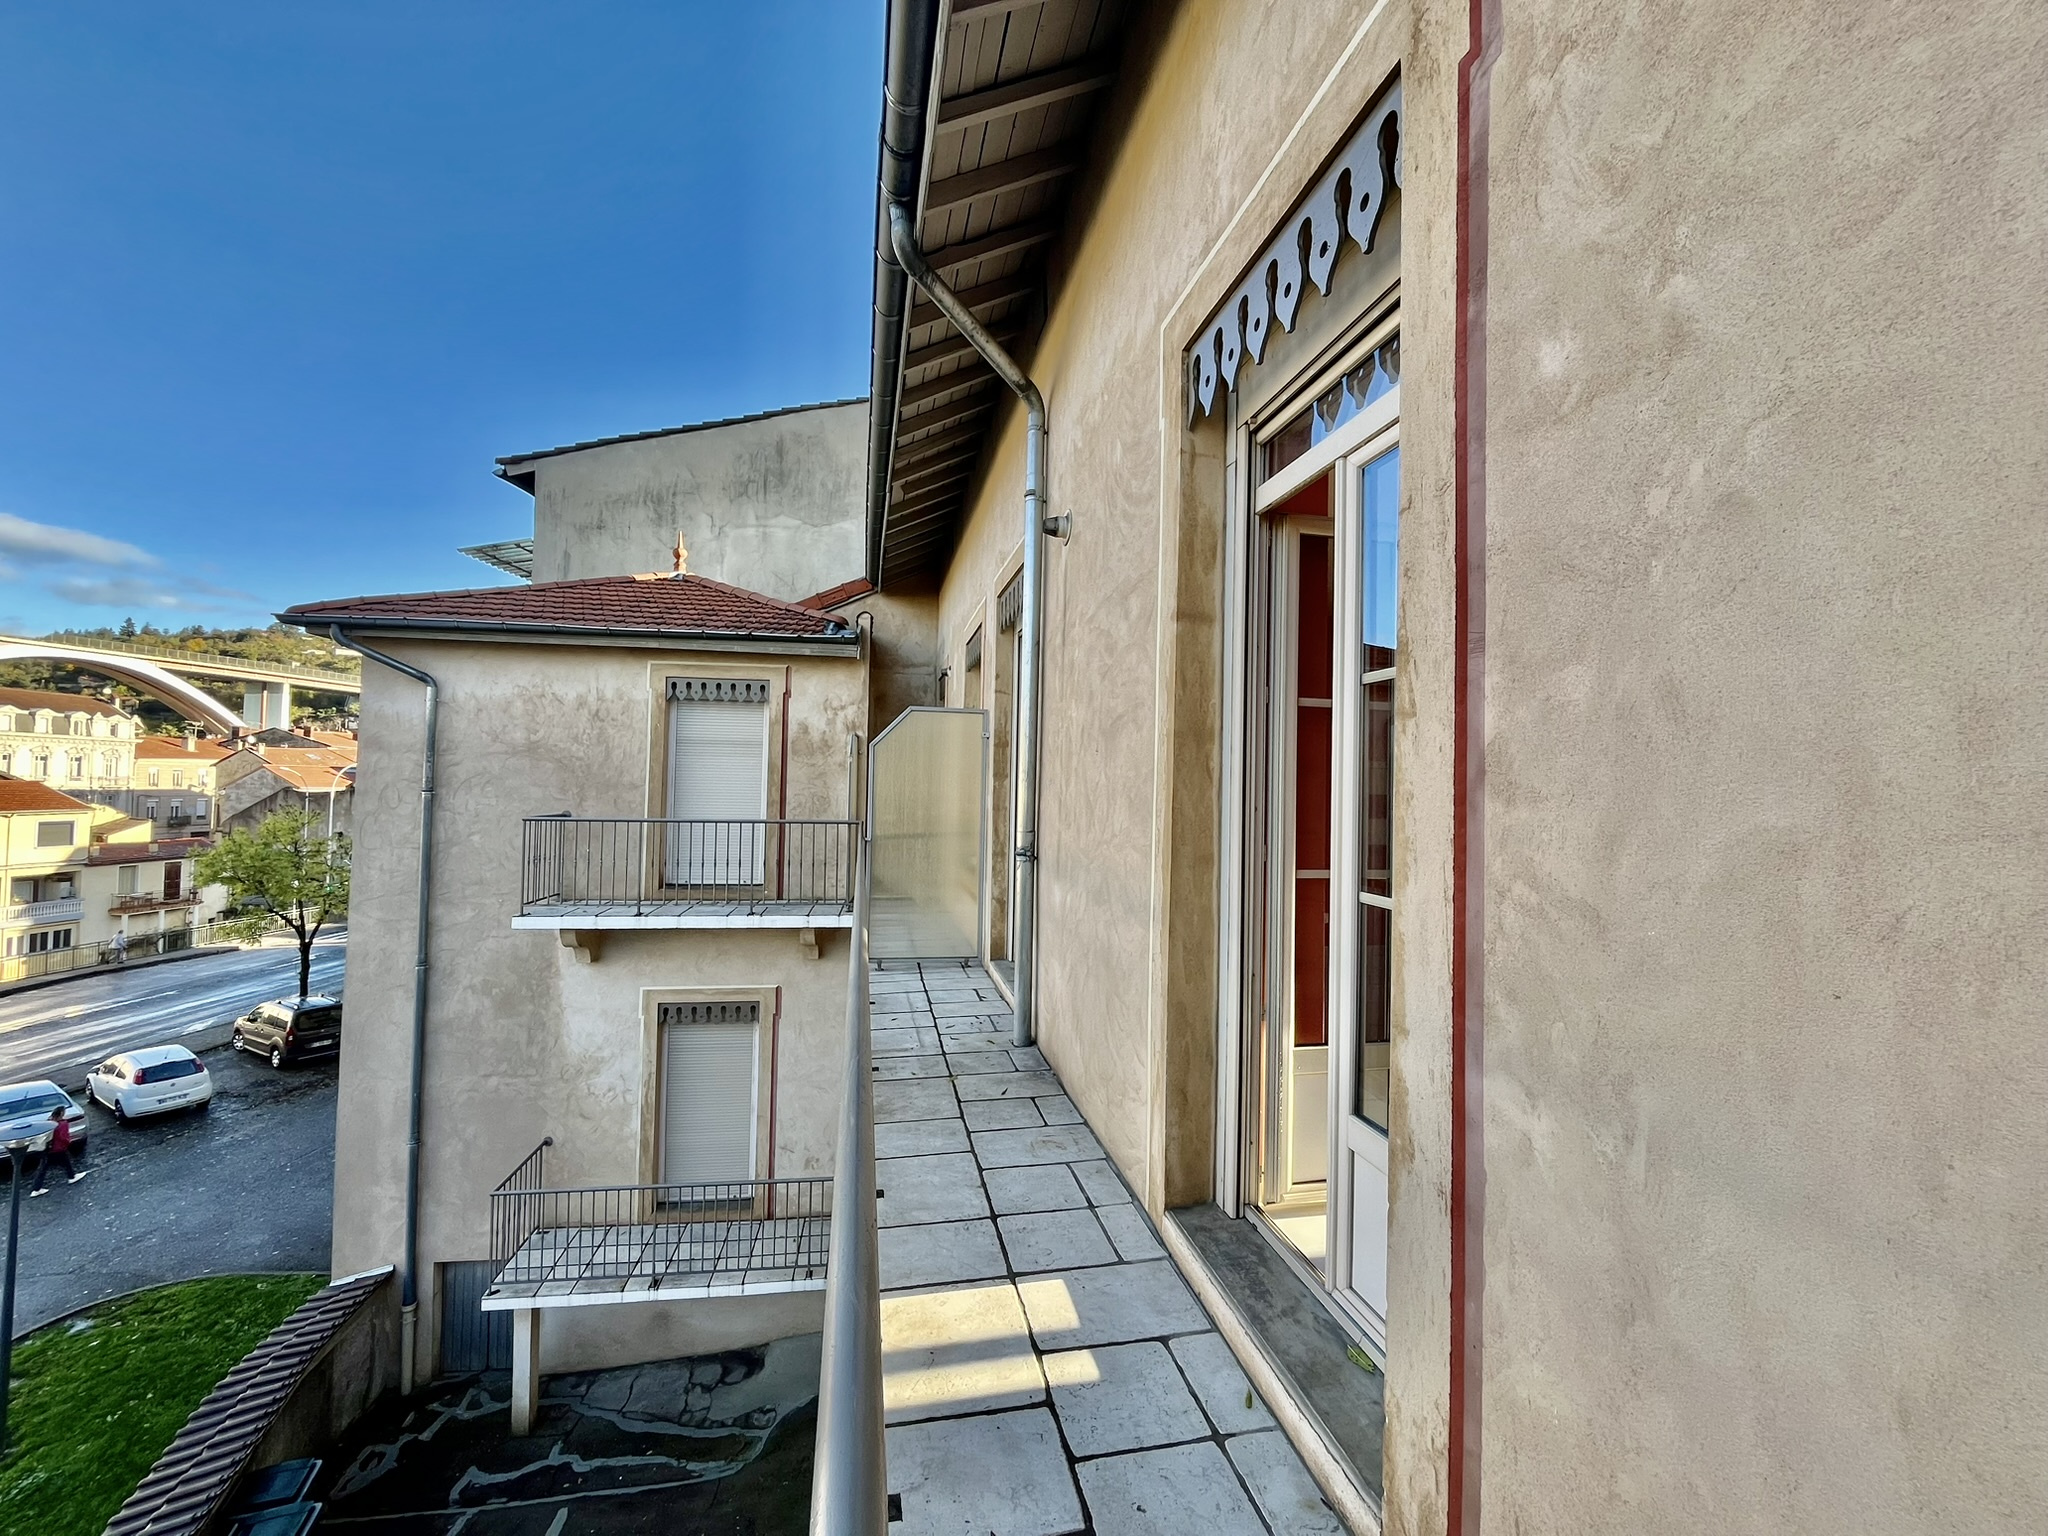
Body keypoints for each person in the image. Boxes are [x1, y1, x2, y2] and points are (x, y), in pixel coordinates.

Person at [29, 1106, 85, 1195]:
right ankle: (72, 1177)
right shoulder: (62, 1124)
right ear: (62, 1113)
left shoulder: (49, 1122)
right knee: (66, 1163)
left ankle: (36, 1189)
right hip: (58, 1148)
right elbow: (63, 1137)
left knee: (43, 1168)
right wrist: (67, 1143)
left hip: (47, 1148)